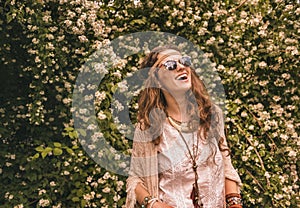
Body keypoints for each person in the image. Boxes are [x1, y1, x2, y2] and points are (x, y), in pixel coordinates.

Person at [125, 45, 242, 208]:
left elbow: (225, 161)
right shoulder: (148, 127)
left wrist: (234, 202)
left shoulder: (211, 114)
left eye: (184, 61)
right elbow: (135, 179)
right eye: (171, 65)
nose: (181, 67)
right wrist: (154, 204)